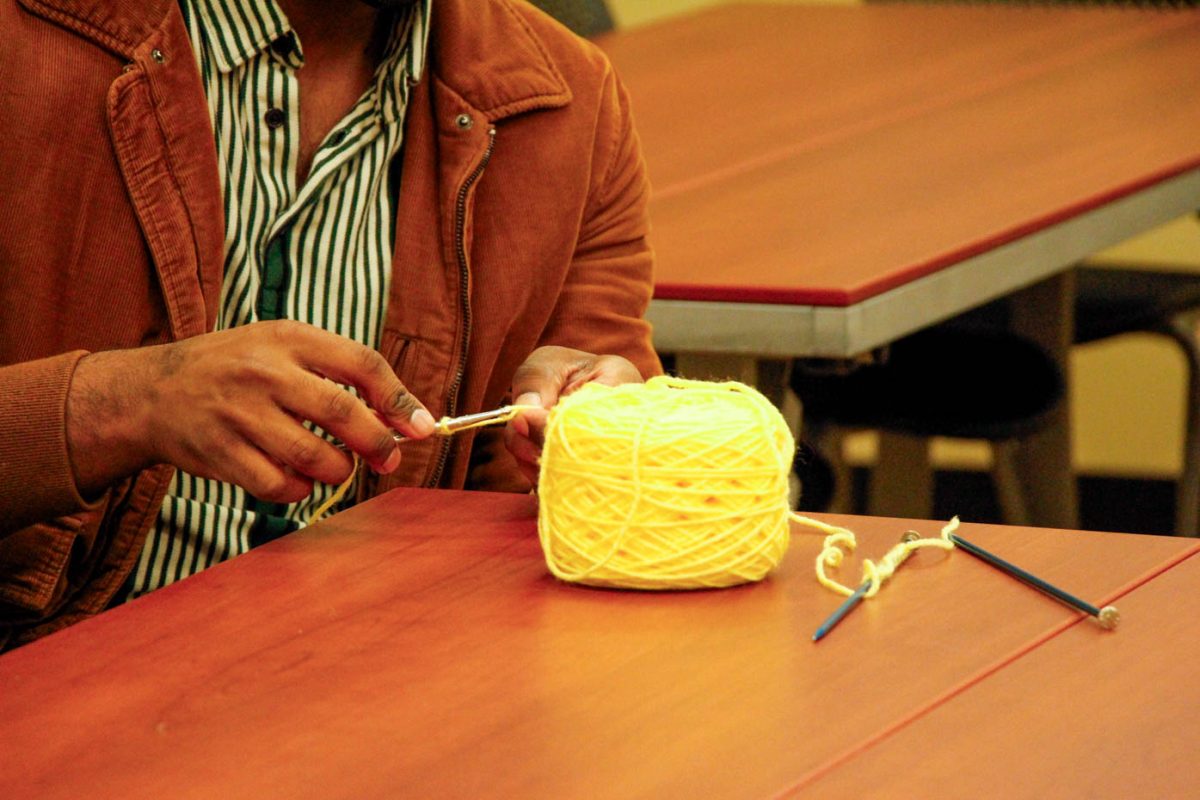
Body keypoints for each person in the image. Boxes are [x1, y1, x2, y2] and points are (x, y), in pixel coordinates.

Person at [0, 0, 659, 649]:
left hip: (377, 688)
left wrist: (588, 442)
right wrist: (129, 404)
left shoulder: (569, 105)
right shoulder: (26, 43)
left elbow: (585, 523)